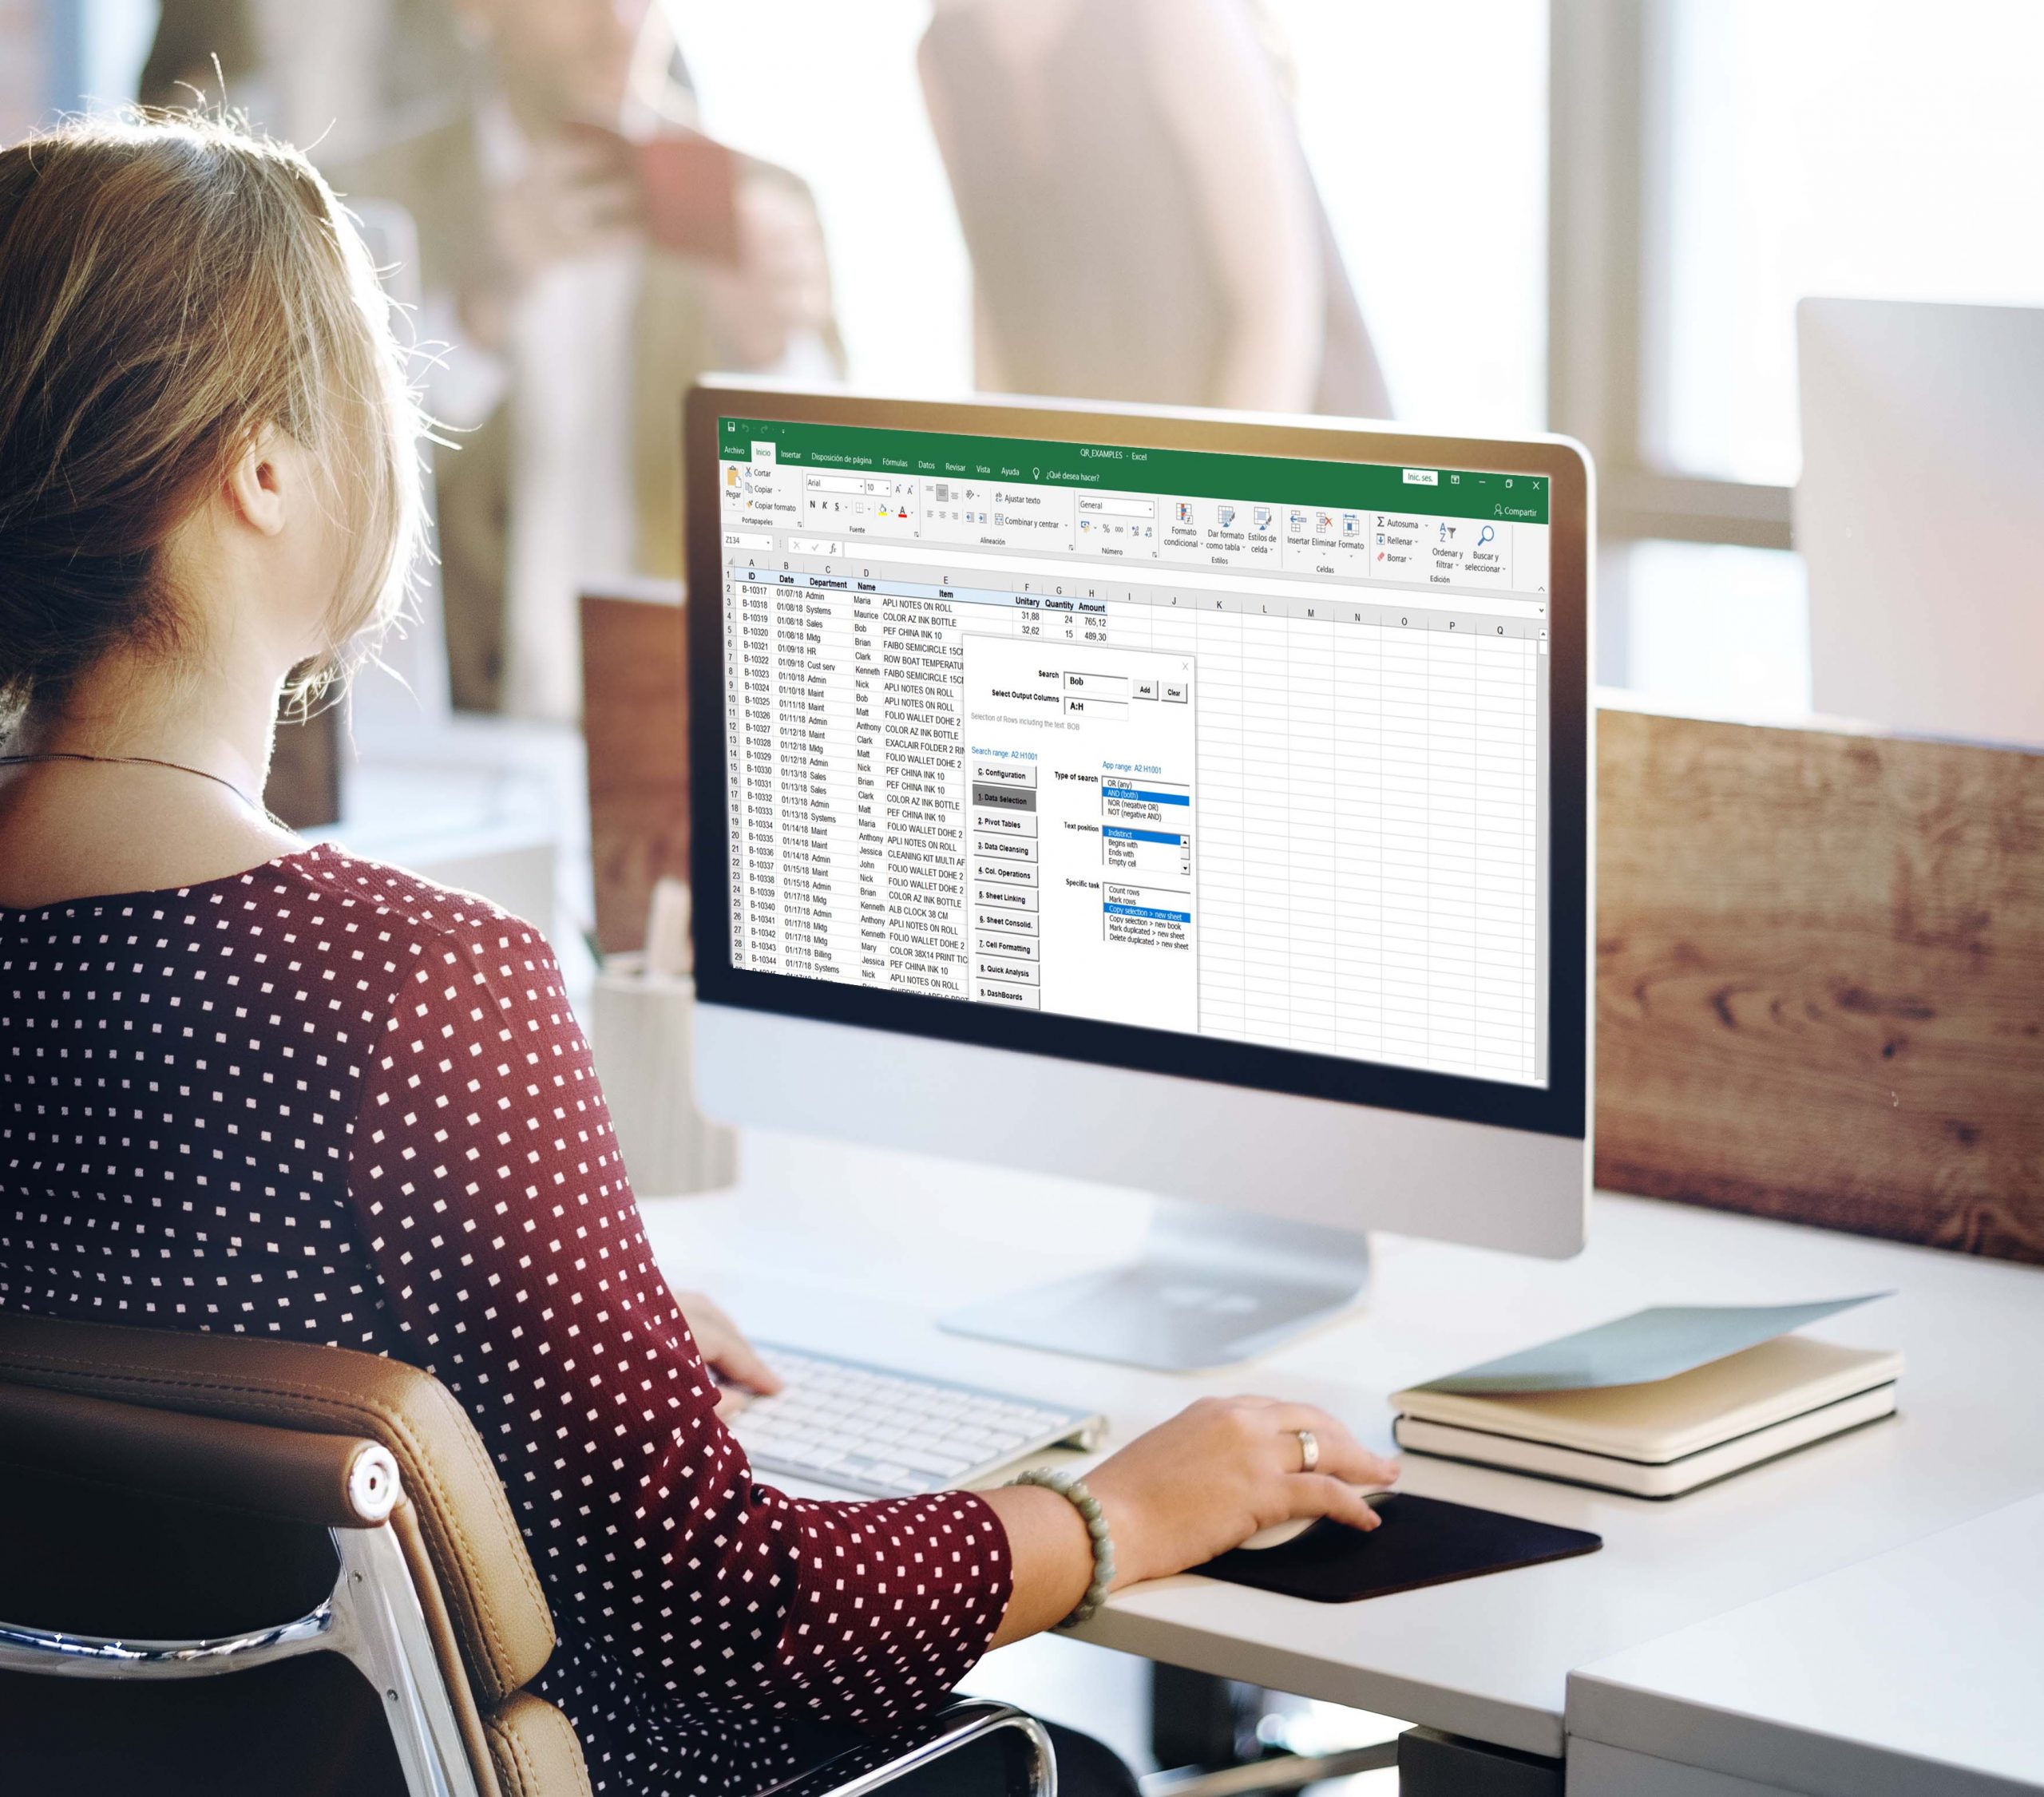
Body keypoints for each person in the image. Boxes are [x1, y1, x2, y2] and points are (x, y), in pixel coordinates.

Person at [0, 115, 1398, 1797]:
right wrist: (1119, 1514)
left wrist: (527, 1308)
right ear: (264, 468)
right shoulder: (416, 995)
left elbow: (141, 1315)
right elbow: (729, 1617)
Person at [335, 0, 839, 719]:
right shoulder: (361, 198)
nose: (621, 23)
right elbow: (328, 502)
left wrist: (767, 354)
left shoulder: (767, 202)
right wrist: (478, 310)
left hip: (683, 726)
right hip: (443, 736)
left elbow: (826, 547)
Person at [920, 0, 1390, 418]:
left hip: (1280, 433)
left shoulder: (1178, 14)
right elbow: (999, 297)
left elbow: (1278, 308)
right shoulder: (943, 55)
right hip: (1116, 460)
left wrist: (1206, 494)